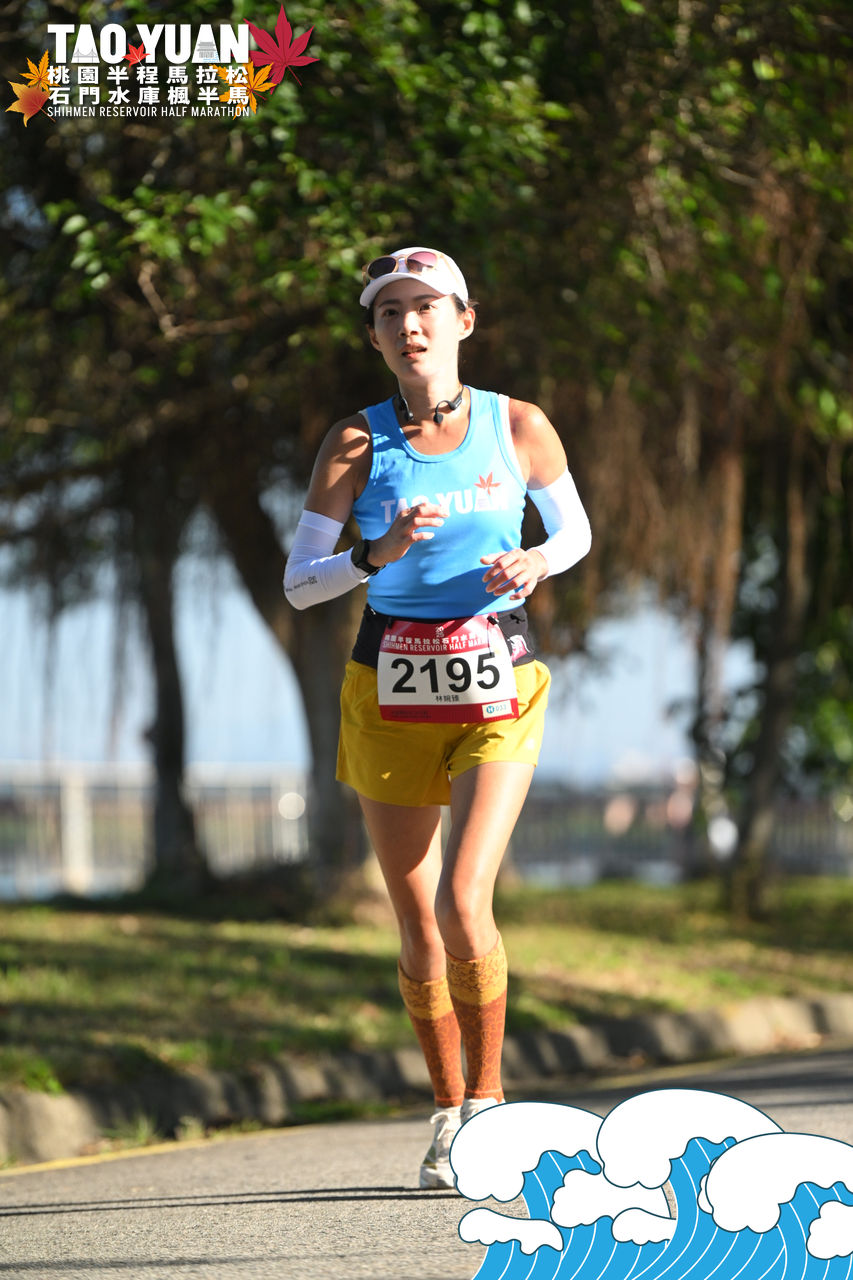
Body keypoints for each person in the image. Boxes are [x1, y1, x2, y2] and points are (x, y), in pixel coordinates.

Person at [284, 246, 591, 1189]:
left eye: (426, 307)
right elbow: (300, 585)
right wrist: (372, 554)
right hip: (388, 690)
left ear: (464, 320)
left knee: (464, 898)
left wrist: (535, 561)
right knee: (418, 919)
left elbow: (574, 531)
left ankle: (490, 1105)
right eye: (390, 313)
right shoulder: (354, 443)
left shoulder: (517, 425)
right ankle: (448, 1112)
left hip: (499, 680)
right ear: (374, 337)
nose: (409, 325)